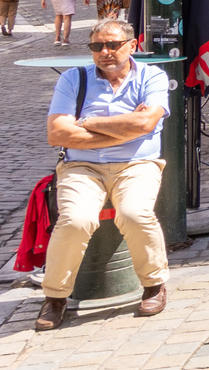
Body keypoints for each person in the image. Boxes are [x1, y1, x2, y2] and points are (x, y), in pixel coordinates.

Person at [37, 19, 172, 331]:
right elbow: (57, 133)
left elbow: (144, 125)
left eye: (113, 45)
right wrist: (123, 128)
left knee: (135, 213)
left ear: (132, 45)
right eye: (97, 46)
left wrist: (86, 122)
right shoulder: (74, 79)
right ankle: (55, 296)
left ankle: (154, 285)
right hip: (81, 167)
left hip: (137, 165)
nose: (106, 52)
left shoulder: (151, 77)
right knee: (75, 220)